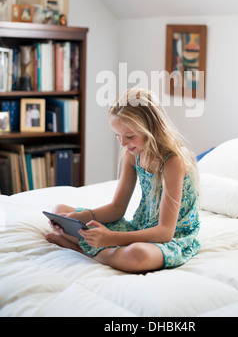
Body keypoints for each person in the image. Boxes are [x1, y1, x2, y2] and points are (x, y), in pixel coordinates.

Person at [45, 88, 201, 273]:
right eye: (118, 135)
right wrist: (78, 218)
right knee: (60, 211)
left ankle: (83, 249)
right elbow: (117, 209)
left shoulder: (173, 162)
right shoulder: (132, 154)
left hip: (171, 236)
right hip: (140, 227)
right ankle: (98, 249)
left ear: (150, 129)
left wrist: (110, 238)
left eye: (129, 136)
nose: (123, 143)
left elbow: (165, 232)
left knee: (137, 255)